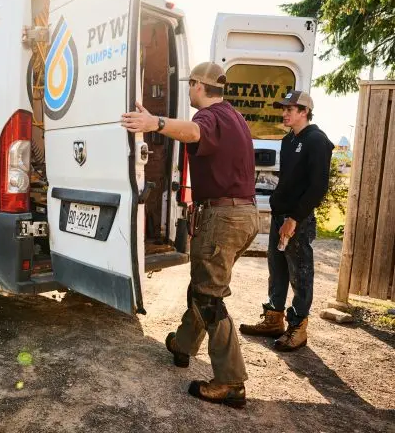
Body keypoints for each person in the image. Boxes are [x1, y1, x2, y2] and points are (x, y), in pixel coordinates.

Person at [121, 62, 258, 408]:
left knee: (210, 299)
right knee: (202, 286)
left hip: (223, 217)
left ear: (198, 85)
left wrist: (156, 123)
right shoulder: (234, 117)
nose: (189, 91)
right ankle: (182, 345)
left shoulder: (209, 119)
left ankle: (231, 382)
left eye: (190, 85)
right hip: (244, 214)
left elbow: (194, 133)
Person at [240, 90, 333, 351]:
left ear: (304, 112)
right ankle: (274, 319)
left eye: (290, 109)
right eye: (284, 109)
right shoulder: (288, 140)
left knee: (300, 272)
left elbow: (317, 187)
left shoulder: (317, 141)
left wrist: (294, 218)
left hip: (298, 219)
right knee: (277, 266)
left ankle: (298, 326)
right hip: (281, 215)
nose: (285, 113)